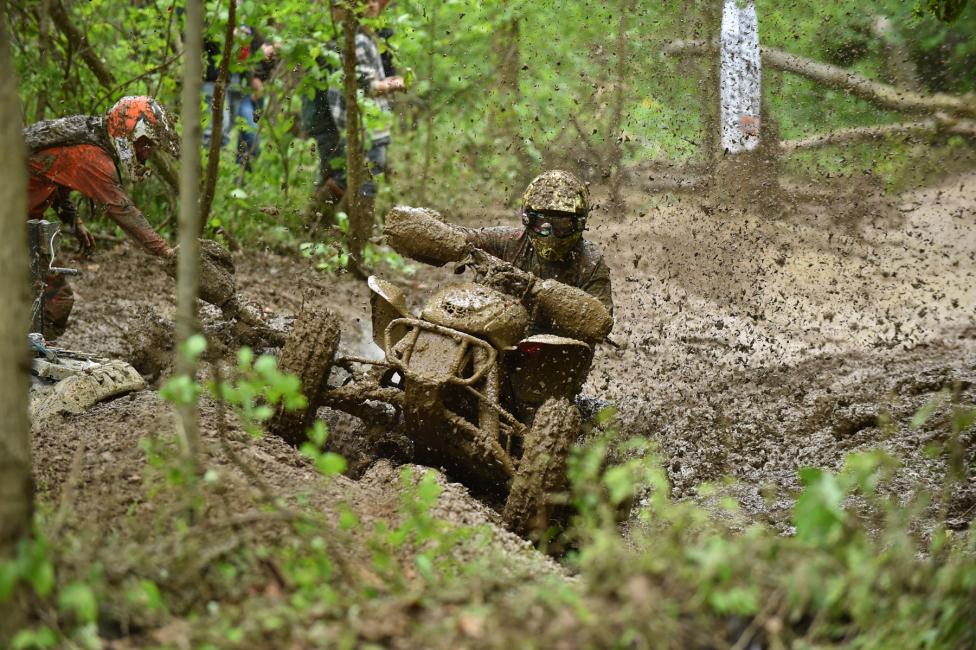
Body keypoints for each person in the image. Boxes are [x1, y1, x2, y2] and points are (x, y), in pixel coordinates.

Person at [386, 170, 614, 341]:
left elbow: (601, 323)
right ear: (527, 220)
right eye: (542, 224)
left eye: (562, 226)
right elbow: (457, 236)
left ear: (580, 224)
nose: (551, 234)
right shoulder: (507, 241)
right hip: (490, 329)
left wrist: (536, 288)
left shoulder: (590, 262)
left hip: (549, 353)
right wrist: (453, 243)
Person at [24, 96, 179, 338]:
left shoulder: (87, 135)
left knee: (46, 297)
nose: (147, 153)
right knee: (54, 301)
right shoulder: (92, 156)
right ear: (128, 135)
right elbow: (122, 210)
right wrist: (167, 252)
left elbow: (52, 176)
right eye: (146, 144)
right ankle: (30, 360)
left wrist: (75, 221)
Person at [303, 0, 406, 223]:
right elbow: (365, 83)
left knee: (355, 174)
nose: (373, 7)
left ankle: (326, 225)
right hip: (358, 121)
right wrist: (392, 84)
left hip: (364, 120)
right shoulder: (355, 40)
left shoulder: (368, 38)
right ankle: (336, 226)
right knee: (358, 175)